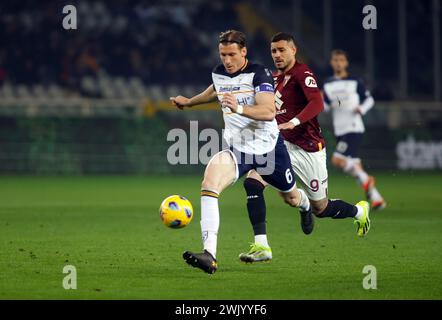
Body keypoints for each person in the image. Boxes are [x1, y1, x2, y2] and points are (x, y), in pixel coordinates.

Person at [170, 30, 311, 274]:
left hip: (269, 149)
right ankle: (209, 254)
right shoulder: (219, 72)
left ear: (243, 52)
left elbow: (268, 111)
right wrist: (189, 102)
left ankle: (305, 204)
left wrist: (239, 108)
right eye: (223, 54)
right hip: (238, 149)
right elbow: (214, 90)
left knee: (290, 197)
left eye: (232, 54)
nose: (227, 60)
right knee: (210, 182)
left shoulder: (259, 73)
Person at [240, 33, 371, 263]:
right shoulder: (271, 78)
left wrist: (294, 122)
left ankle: (359, 212)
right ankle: (262, 246)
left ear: (294, 50)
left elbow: (317, 102)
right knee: (253, 181)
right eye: (273, 51)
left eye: (282, 50)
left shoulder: (303, 73)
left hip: (308, 148)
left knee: (321, 208)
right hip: (280, 145)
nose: (277, 55)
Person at [322, 49, 386, 210]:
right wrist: (321, 102)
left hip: (353, 127)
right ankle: (377, 199)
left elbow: (369, 99)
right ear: (331, 62)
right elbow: (326, 107)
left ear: (346, 63)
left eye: (341, 60)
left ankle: (367, 180)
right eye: (335, 60)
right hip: (339, 129)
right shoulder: (328, 83)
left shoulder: (355, 81)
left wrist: (361, 109)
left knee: (337, 160)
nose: (338, 63)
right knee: (355, 166)